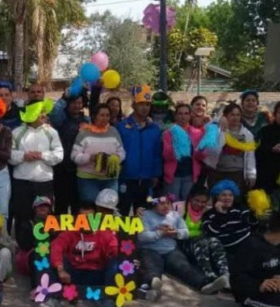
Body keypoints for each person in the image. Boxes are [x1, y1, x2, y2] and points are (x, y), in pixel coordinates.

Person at [38, 203, 121, 307]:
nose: (86, 221)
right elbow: (56, 247)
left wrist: (123, 258)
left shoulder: (105, 234)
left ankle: (107, 304)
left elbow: (115, 250)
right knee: (54, 259)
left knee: (116, 263)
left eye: (90, 218)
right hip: (72, 274)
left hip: (96, 273)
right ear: (77, 218)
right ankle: (53, 299)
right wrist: (60, 269)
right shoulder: (70, 233)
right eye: (83, 218)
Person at [138, 195, 229, 300]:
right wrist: (160, 233)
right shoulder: (146, 215)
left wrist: (176, 233)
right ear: (154, 204)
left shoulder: (175, 215)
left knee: (184, 267)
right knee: (152, 266)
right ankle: (152, 283)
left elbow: (185, 232)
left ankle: (205, 284)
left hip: (170, 249)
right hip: (150, 249)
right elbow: (142, 236)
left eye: (168, 203)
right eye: (162, 203)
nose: (166, 206)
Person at [10, 99, 63, 247]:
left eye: (44, 112)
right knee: (22, 216)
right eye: (40, 112)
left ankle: (45, 248)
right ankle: (24, 249)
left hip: (44, 181)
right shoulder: (16, 132)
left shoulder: (51, 132)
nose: (43, 115)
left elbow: (59, 155)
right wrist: (23, 156)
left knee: (45, 217)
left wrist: (42, 155)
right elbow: (9, 155)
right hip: (22, 181)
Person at [116, 85, 162, 216]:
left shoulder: (154, 128)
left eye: (147, 104)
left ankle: (140, 237)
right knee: (122, 213)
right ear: (134, 104)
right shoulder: (122, 127)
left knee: (144, 214)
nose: (145, 108)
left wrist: (156, 174)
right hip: (126, 178)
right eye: (141, 104)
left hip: (146, 179)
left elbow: (157, 154)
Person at [72, 103, 125, 202]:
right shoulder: (84, 133)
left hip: (110, 178)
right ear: (94, 116)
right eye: (102, 115)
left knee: (109, 209)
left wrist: (116, 157)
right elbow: (74, 156)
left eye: (107, 115)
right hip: (88, 179)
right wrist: (90, 158)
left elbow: (122, 152)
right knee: (90, 209)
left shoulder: (114, 131)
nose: (105, 118)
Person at [180, 186, 230, 285]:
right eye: (197, 200)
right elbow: (179, 232)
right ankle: (210, 275)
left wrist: (218, 211)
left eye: (203, 202)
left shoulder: (208, 210)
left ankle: (225, 274)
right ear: (190, 198)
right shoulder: (180, 207)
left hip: (203, 241)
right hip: (185, 244)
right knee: (201, 242)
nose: (200, 204)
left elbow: (215, 229)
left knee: (214, 241)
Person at [50, 93, 89, 214]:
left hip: (79, 170)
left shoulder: (86, 120)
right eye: (74, 103)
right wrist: (64, 97)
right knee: (61, 205)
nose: (77, 106)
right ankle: (60, 233)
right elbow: (54, 113)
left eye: (79, 103)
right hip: (62, 168)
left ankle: (77, 233)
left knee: (77, 206)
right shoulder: (61, 119)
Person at [204, 103, 256, 192]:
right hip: (217, 173)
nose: (235, 118)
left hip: (237, 174)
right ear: (226, 116)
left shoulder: (246, 134)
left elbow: (250, 156)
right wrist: (219, 118)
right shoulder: (217, 129)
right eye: (232, 114)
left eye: (238, 115)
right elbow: (205, 128)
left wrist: (251, 175)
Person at [162, 104, 208, 201]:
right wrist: (178, 145)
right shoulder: (168, 133)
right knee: (173, 204)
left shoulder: (197, 133)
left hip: (190, 175)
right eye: (180, 114)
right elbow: (166, 155)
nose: (183, 116)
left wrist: (199, 151)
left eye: (186, 113)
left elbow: (203, 155)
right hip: (173, 175)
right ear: (175, 116)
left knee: (187, 203)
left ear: (190, 115)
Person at [202, 180, 254, 252]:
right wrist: (220, 214)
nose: (228, 198)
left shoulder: (240, 209)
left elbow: (252, 225)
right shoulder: (209, 215)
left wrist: (256, 213)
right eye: (224, 195)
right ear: (217, 196)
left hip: (246, 244)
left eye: (231, 195)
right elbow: (212, 233)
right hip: (225, 249)